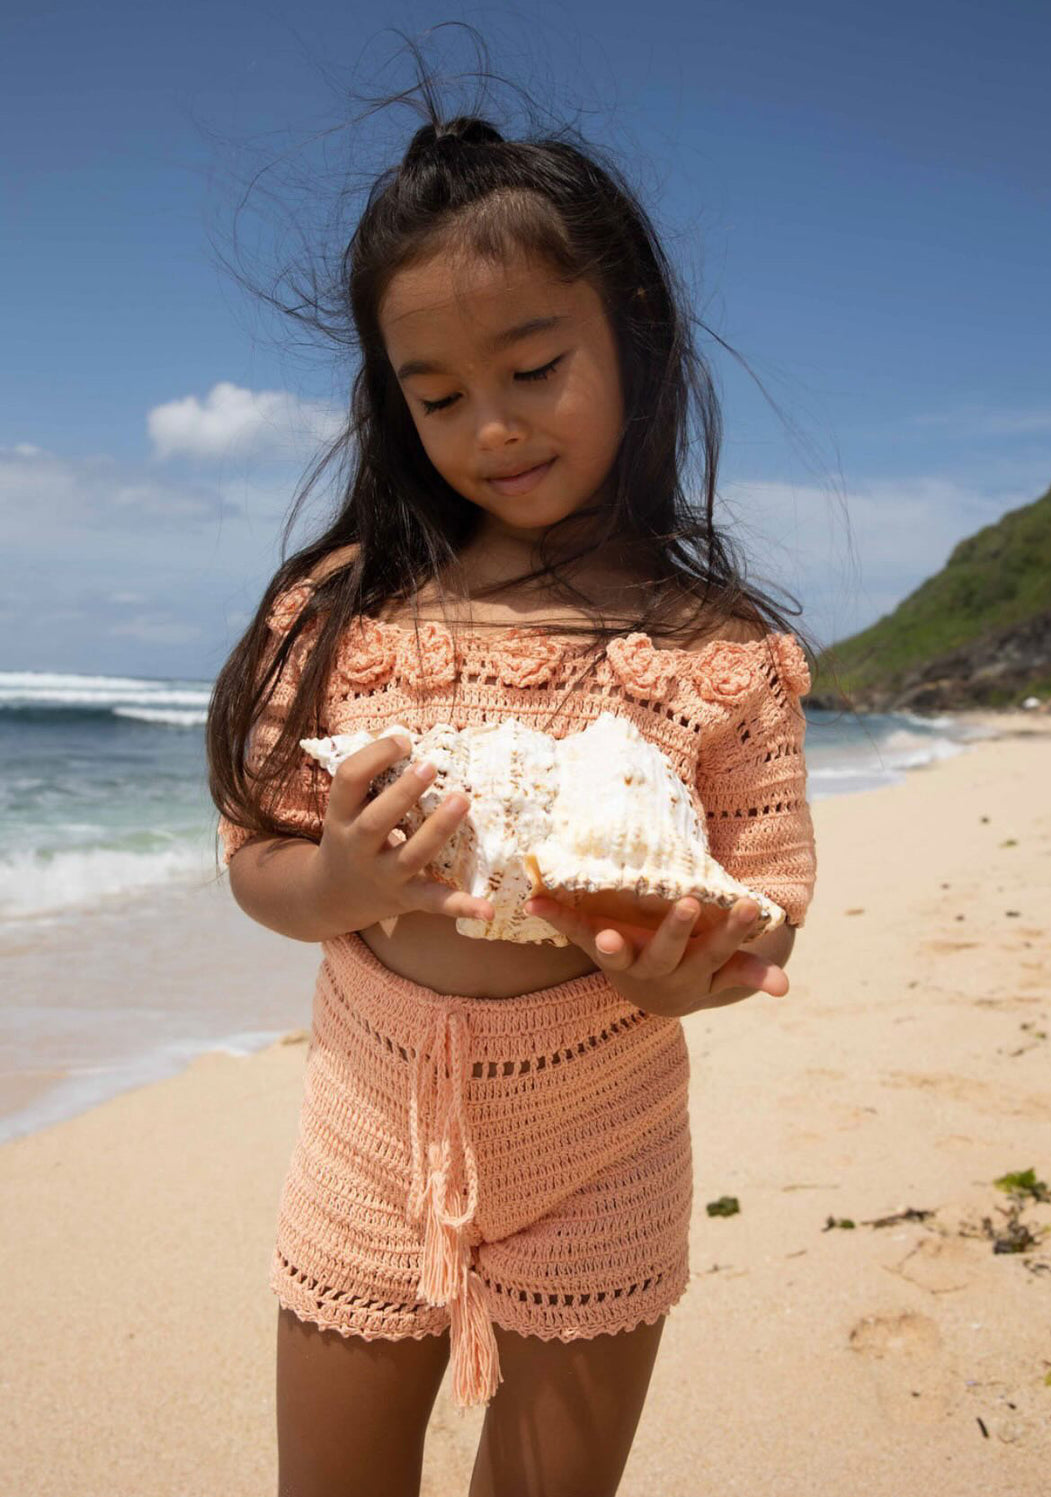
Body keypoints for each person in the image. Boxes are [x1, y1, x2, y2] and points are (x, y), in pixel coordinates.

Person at [207, 95, 817, 1497]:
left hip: (602, 1133)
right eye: (436, 395)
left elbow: (766, 901)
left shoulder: (714, 653)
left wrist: (696, 976)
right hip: (368, 1123)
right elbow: (255, 850)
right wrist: (342, 886)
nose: (491, 426)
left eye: (535, 367)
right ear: (393, 397)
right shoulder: (346, 612)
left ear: (634, 338)